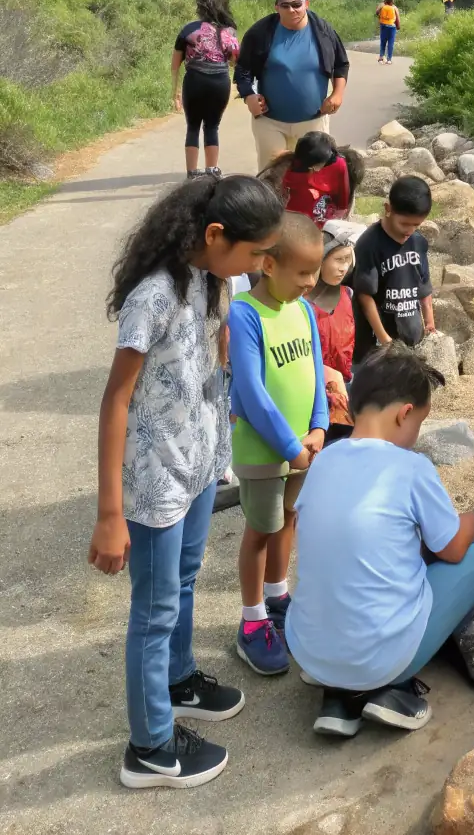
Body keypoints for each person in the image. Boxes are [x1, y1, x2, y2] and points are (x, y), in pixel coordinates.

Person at [88, 176, 284, 790]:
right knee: (153, 610)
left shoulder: (213, 280)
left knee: (187, 580)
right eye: (256, 253)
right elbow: (116, 400)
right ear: (215, 235)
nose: (261, 265)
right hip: (153, 485)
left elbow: (209, 359)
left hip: (198, 466)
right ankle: (148, 747)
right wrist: (109, 513)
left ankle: (179, 679)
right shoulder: (153, 297)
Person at [285, 349, 474, 738]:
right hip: (376, 657)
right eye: (419, 421)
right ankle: (386, 688)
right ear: (404, 413)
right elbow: (451, 549)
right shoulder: (411, 466)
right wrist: (470, 520)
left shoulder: (324, 461)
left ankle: (338, 697)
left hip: (310, 652)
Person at [228, 213, 329, 677]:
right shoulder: (246, 313)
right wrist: (290, 446)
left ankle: (277, 596)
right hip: (265, 452)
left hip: (301, 449)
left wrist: (320, 427)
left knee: (289, 518)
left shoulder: (303, 310)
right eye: (303, 273)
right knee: (261, 530)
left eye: (316, 271)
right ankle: (252, 622)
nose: (312, 282)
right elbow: (250, 392)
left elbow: (315, 375)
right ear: (269, 265)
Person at [235, 0, 350, 172]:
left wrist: (337, 94)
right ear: (276, 7)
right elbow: (242, 70)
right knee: (271, 178)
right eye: (285, 6)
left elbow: (341, 64)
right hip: (269, 122)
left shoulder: (323, 31)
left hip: (313, 121)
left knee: (314, 176)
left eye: (297, 4)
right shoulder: (260, 32)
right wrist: (249, 96)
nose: (292, 10)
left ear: (306, 4)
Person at [352, 176, 435, 365]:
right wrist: (384, 339)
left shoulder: (418, 242)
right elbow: (364, 296)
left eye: (417, 225)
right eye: (405, 224)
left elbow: (424, 286)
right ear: (388, 209)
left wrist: (429, 321)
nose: (410, 230)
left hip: (410, 331)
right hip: (379, 337)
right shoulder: (369, 244)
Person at [172, 0, 240, 179]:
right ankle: (212, 170)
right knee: (212, 126)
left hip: (194, 81)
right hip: (219, 82)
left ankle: (192, 172)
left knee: (193, 126)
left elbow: (175, 65)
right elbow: (235, 61)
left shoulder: (188, 30)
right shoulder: (229, 32)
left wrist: (175, 91)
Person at [306, 220, 360, 442]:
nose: (343, 267)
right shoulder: (301, 303)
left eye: (347, 260)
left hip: (344, 390)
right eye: (338, 259)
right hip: (313, 392)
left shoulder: (348, 295)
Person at [259, 132, 363, 225]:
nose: (314, 171)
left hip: (320, 217)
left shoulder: (339, 165)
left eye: (317, 166)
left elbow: (342, 205)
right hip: (294, 217)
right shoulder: (290, 169)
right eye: (310, 167)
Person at [376, 0, 400, 65]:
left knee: (383, 42)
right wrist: (398, 26)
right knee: (391, 43)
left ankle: (381, 58)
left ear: (385, 0)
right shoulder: (394, 8)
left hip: (383, 26)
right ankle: (389, 59)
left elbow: (377, 13)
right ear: (392, 1)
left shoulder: (382, 6)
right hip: (392, 27)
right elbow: (397, 18)